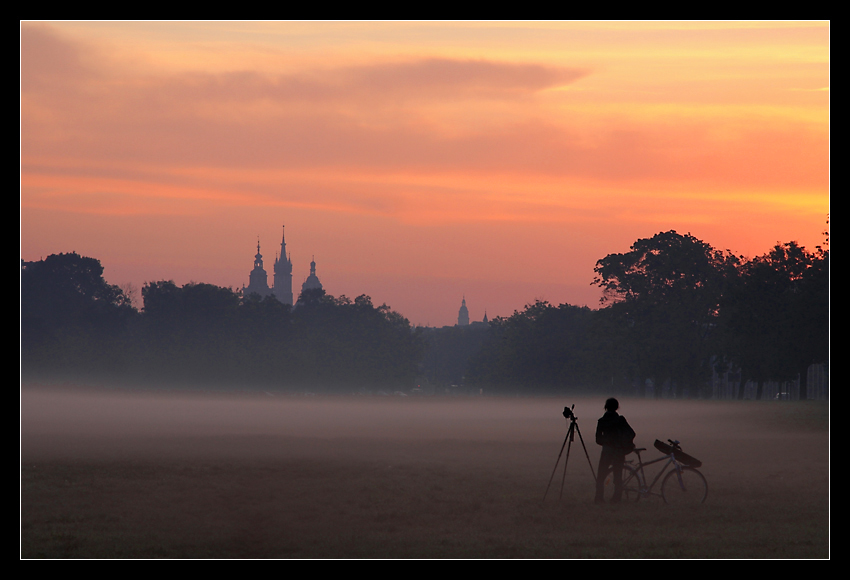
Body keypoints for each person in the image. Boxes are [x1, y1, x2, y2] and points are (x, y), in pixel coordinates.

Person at [594, 397, 635, 504]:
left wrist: (607, 442)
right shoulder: (620, 420)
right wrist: (623, 443)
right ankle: (616, 498)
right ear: (617, 407)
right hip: (619, 451)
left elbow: (598, 440)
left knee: (601, 476)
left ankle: (599, 498)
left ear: (605, 407)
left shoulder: (602, 421)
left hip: (607, 451)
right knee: (618, 476)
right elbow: (632, 433)